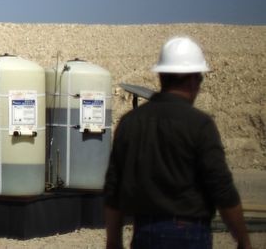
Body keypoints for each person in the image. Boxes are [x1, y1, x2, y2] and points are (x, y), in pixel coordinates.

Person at [104, 36, 253, 249]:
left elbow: (113, 188)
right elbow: (221, 188)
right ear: (193, 80)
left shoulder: (130, 123)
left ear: (161, 76)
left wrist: (113, 241)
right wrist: (243, 240)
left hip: (145, 232)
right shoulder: (200, 125)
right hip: (190, 234)